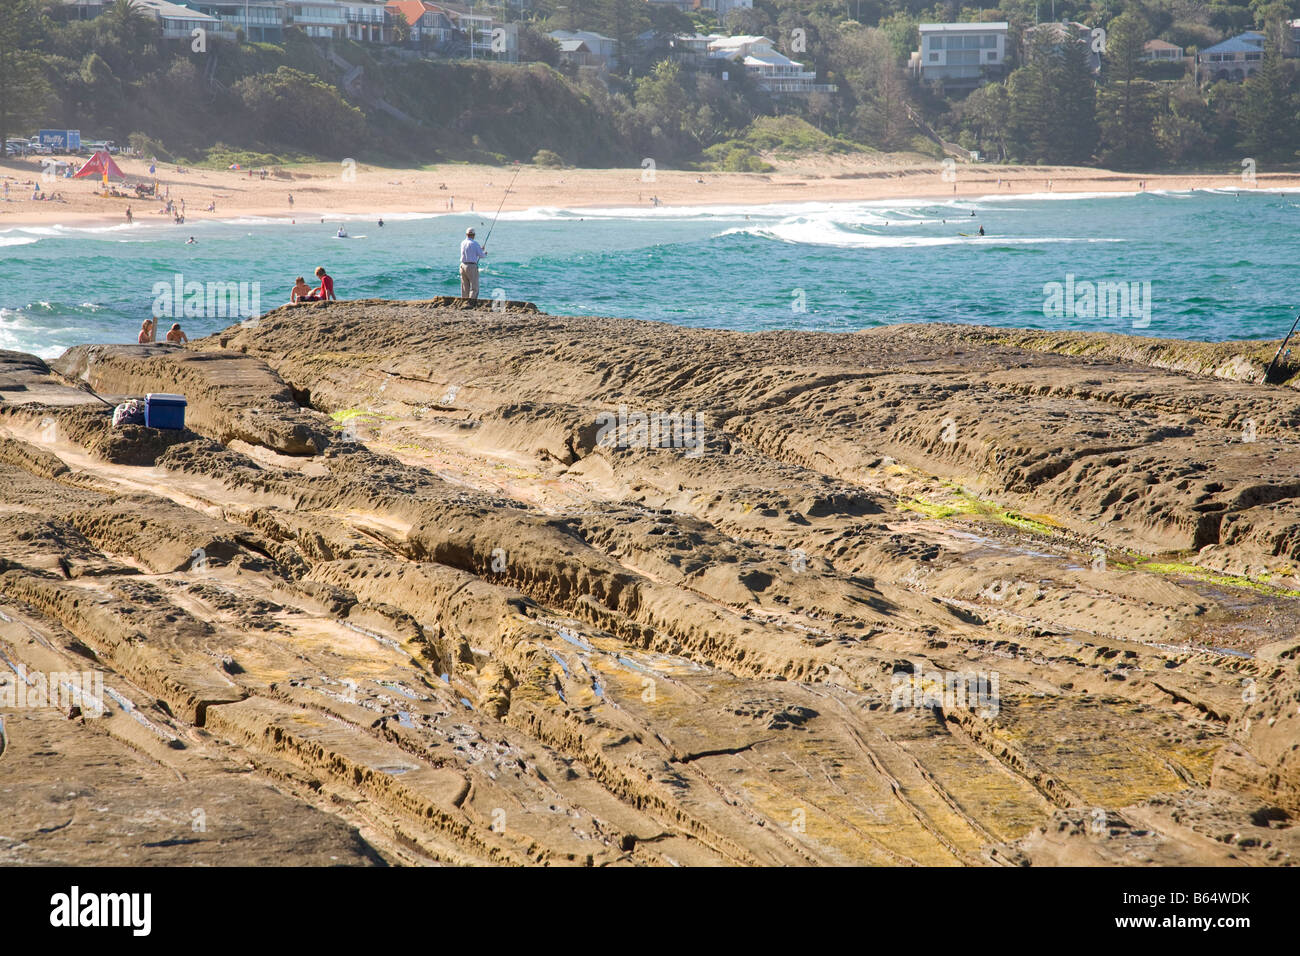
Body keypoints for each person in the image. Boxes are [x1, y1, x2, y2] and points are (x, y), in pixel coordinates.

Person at [459, 227, 485, 300]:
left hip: (462, 265)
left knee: (465, 286)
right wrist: (484, 252)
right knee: (474, 287)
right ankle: (471, 302)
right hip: (471, 266)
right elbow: (482, 255)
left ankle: (464, 301)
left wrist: (479, 250)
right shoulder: (475, 243)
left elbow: (469, 252)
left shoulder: (463, 243)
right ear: (474, 235)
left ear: (466, 234)